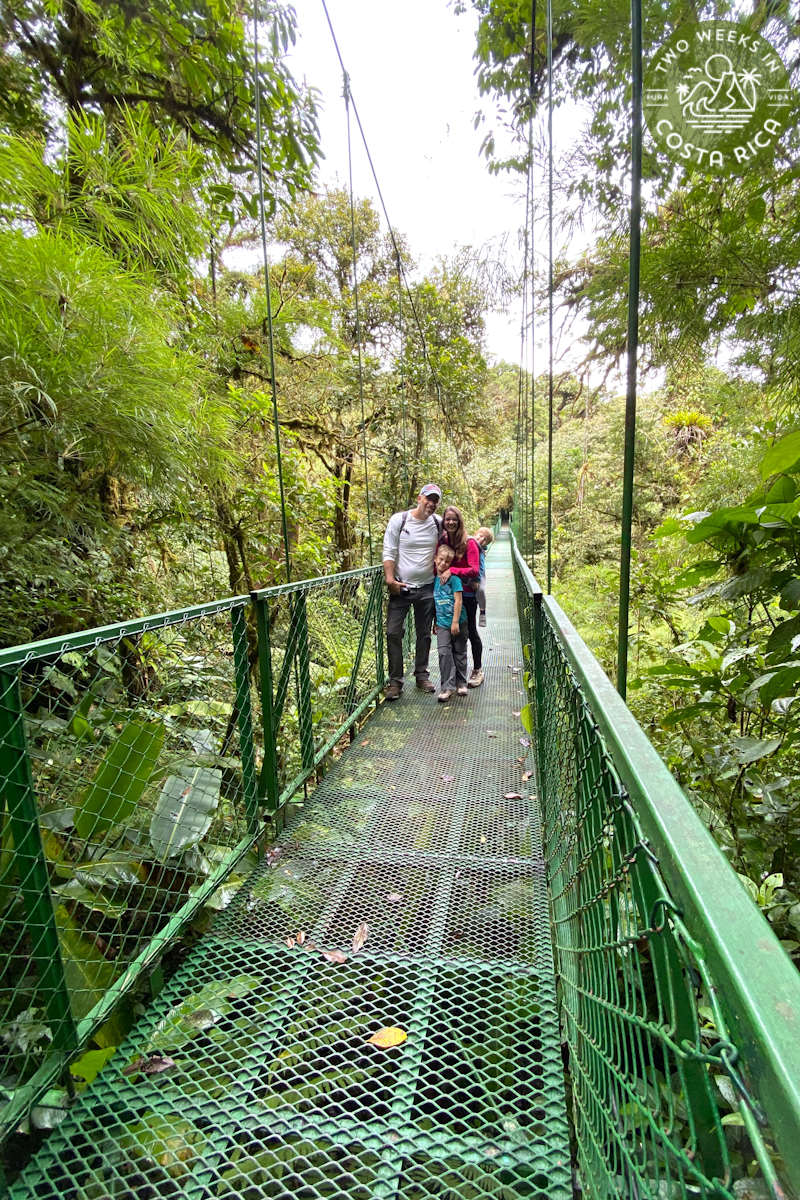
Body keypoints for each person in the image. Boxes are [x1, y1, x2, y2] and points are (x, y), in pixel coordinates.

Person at [381, 483, 443, 700]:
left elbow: (454, 543)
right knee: (393, 632)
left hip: (427, 587)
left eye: (435, 501)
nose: (432, 503)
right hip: (401, 586)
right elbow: (389, 549)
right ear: (419, 498)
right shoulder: (400, 520)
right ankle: (396, 681)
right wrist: (390, 580)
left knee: (424, 634)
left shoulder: (438, 523)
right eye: (429, 499)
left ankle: (421, 675)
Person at [439, 505, 483, 687]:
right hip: (448, 595)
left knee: (470, 630)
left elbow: (474, 569)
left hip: (467, 595)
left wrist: (452, 570)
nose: (450, 522)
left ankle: (478, 669)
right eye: (447, 519)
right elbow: (439, 562)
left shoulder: (470, 542)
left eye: (454, 519)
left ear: (459, 521)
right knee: (452, 634)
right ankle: (457, 676)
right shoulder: (443, 540)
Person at [433, 543, 469, 702]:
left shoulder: (454, 580)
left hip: (458, 621)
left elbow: (458, 600)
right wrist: (435, 622)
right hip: (441, 624)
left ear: (450, 564)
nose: (443, 564)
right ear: (435, 560)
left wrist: (455, 622)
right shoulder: (433, 580)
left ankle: (461, 682)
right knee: (443, 653)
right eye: (440, 560)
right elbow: (434, 602)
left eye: (447, 562)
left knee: (459, 652)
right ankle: (447, 687)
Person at [473, 526, 494, 627]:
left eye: (485, 539)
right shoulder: (470, 542)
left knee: (480, 590)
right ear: (475, 534)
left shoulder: (481, 550)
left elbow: (480, 568)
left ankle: (482, 612)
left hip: (479, 576)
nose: (481, 539)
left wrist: (477, 579)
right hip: (470, 575)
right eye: (480, 536)